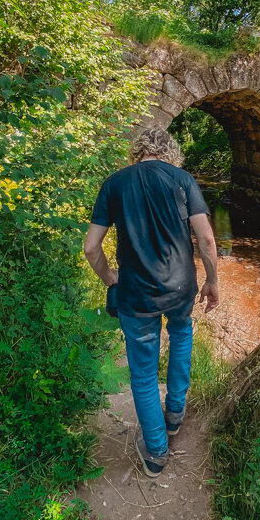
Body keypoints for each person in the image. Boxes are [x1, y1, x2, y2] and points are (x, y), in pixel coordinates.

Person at [83, 128, 220, 478]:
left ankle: (156, 453)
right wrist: (212, 280)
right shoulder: (183, 180)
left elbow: (90, 247)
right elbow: (205, 237)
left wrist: (108, 277)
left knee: (143, 376)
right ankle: (175, 416)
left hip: (137, 293)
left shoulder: (114, 183)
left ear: (137, 151)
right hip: (180, 289)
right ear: (170, 152)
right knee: (181, 337)